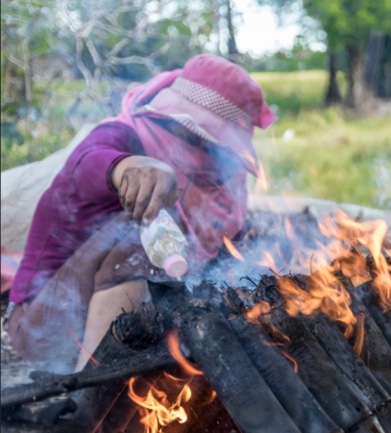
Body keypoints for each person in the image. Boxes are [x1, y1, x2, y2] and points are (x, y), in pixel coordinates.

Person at [5, 54, 276, 373]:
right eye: (191, 136)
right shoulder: (119, 137)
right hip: (46, 328)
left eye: (214, 146)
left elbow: (228, 244)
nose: (202, 153)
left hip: (145, 324)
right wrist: (127, 168)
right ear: (167, 119)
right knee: (144, 230)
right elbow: (89, 164)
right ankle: (90, 386)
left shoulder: (218, 181)